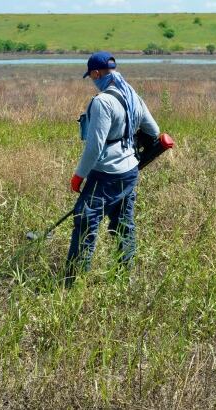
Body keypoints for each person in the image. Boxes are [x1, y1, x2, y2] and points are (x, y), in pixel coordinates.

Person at [65, 51, 173, 286]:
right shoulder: (130, 93)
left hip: (106, 173)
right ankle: (124, 277)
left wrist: (78, 176)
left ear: (95, 73)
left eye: (92, 76)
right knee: (123, 223)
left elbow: (95, 147)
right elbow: (154, 131)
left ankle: (72, 283)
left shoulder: (102, 102)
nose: (93, 80)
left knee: (85, 221)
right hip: (130, 171)